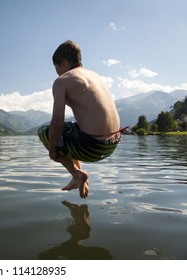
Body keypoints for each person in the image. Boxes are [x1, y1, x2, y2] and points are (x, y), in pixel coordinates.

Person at [38, 40, 124, 199]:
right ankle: (77, 175)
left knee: (45, 132)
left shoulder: (62, 81)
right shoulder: (95, 76)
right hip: (113, 143)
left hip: (92, 147)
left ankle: (76, 174)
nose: (57, 72)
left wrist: (51, 151)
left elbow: (57, 122)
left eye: (56, 67)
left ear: (62, 62)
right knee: (70, 129)